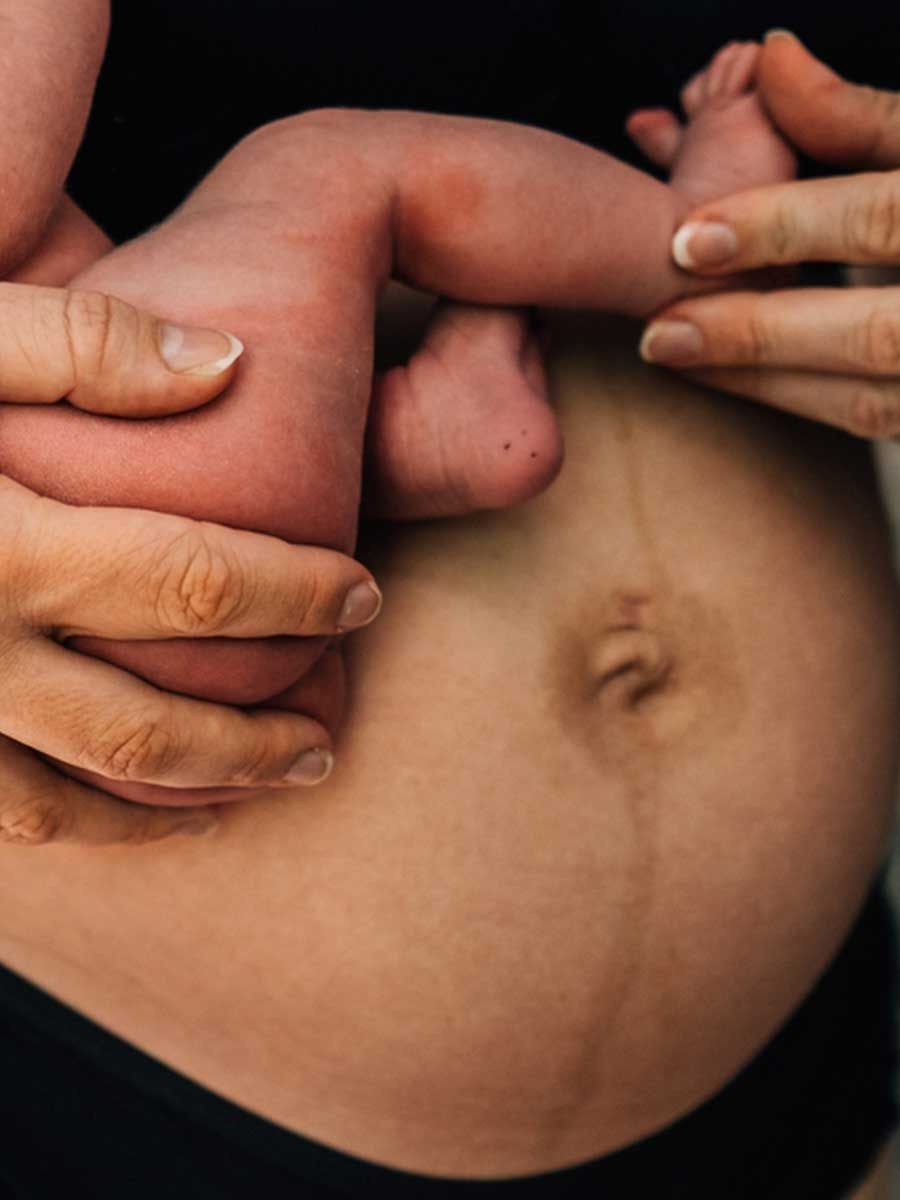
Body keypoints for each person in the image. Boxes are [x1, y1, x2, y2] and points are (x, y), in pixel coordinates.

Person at [0, 43, 897, 1200]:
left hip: (794, 1025)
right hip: (204, 1079)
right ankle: (684, 239)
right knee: (317, 169)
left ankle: (413, 446)